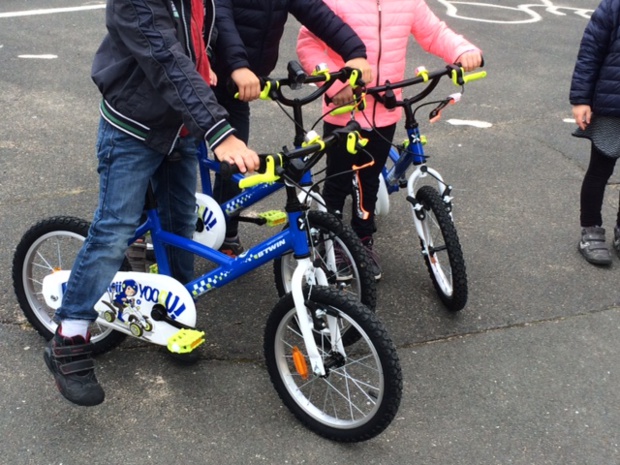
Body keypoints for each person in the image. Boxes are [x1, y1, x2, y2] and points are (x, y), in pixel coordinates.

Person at [43, 0, 259, 407]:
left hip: (178, 125)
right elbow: (164, 57)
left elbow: (201, 35)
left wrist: (223, 67)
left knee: (180, 224)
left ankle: (173, 317)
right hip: (133, 126)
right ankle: (69, 337)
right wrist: (218, 130)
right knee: (115, 228)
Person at [297, 0, 482, 279]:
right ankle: (331, 240)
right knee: (337, 180)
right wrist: (335, 84)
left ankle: (362, 239)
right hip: (345, 109)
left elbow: (433, 32)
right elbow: (308, 43)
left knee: (369, 179)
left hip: (385, 109)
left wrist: (462, 50)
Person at [209, 0, 373, 257]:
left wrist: (354, 52)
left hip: (241, 86)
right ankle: (146, 224)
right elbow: (221, 18)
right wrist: (237, 65)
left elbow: (318, 14)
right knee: (170, 156)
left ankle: (226, 232)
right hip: (210, 73)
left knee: (234, 164)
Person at [570, 0, 620, 267]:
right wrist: (581, 99)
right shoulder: (613, 6)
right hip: (612, 105)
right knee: (600, 171)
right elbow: (590, 52)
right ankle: (590, 229)